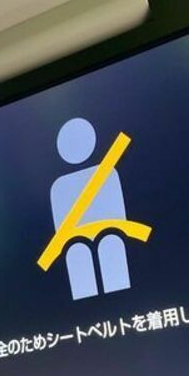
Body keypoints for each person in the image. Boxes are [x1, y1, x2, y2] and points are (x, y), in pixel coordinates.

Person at [50, 118, 131, 300]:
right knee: (76, 253)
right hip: (73, 240)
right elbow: (60, 228)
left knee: (112, 243)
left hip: (110, 232)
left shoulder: (108, 174)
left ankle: (118, 298)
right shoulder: (59, 187)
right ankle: (91, 303)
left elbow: (119, 213)